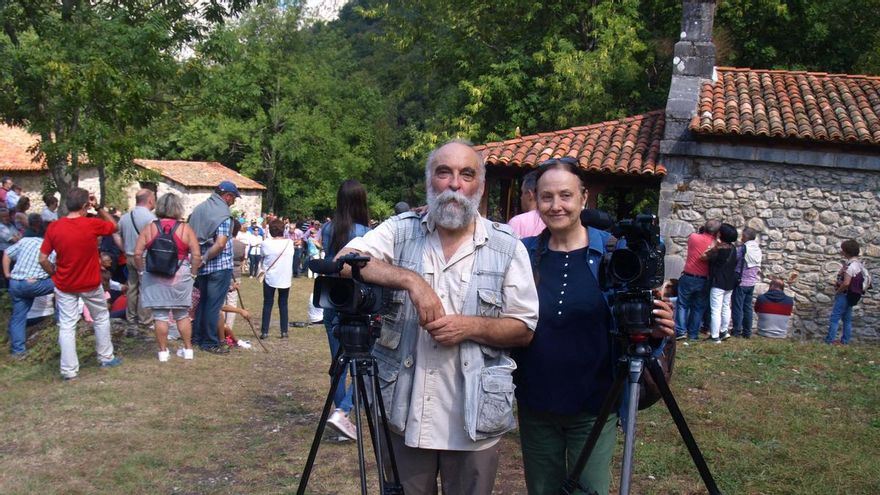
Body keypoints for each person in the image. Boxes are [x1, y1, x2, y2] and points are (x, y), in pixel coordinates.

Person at [337, 140, 539, 494]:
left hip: (473, 421)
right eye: (443, 172)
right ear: (429, 180)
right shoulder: (401, 231)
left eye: (466, 174)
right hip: (405, 415)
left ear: (480, 185)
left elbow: (524, 329)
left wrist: (468, 326)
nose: (454, 184)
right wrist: (410, 280)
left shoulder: (507, 246)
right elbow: (344, 260)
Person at [515, 158, 675, 495]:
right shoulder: (523, 254)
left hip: (595, 403)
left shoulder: (614, 252)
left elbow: (638, 323)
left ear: (584, 198)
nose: (556, 205)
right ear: (535, 200)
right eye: (546, 197)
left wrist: (657, 332)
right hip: (535, 401)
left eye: (565, 195)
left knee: (590, 490)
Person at [39, 188, 122, 380]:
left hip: (65, 283)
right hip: (90, 282)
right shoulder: (91, 224)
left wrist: (53, 272)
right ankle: (106, 357)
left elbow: (43, 258)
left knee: (67, 325)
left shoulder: (54, 227)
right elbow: (113, 226)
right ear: (86, 205)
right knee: (101, 317)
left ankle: (68, 370)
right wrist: (99, 207)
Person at [320, 179, 372, 440]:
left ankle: (341, 418)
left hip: (331, 299)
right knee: (366, 363)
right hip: (356, 301)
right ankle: (345, 410)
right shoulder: (365, 231)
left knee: (338, 364)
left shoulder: (328, 229)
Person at [134, 193, 201, 361]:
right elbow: (197, 254)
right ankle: (188, 350)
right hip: (180, 275)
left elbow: (137, 253)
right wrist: (193, 273)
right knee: (182, 314)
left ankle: (163, 352)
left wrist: (141, 272)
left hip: (155, 275)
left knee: (160, 316)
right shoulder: (185, 228)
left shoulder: (150, 227)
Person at [189, 181, 239, 353]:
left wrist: (199, 260)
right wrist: (205, 257)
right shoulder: (223, 214)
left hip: (202, 266)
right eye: (233, 199)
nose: (233, 203)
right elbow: (220, 244)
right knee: (213, 305)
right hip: (218, 265)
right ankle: (210, 342)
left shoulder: (199, 209)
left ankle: (196, 337)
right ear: (227, 196)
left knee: (202, 304)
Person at [3, 214, 54, 357]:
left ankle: (18, 352)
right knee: (63, 284)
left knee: (18, 317)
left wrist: (7, 274)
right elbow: (55, 266)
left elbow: (7, 253)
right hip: (33, 284)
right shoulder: (48, 246)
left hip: (15, 283)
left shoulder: (24, 241)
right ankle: (62, 319)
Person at [117, 189, 157, 330]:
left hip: (129, 255)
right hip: (145, 256)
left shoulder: (125, 217)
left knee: (132, 288)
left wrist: (124, 248)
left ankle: (131, 317)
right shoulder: (151, 218)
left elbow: (116, 234)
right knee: (145, 288)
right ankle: (145, 320)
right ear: (149, 200)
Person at [675, 219, 721, 341]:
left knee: (682, 304)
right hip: (703, 279)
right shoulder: (715, 243)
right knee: (698, 307)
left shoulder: (693, 237)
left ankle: (680, 331)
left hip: (688, 275)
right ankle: (693, 334)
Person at [824, 239, 868, 345]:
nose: (841, 252)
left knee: (834, 318)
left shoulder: (850, 266)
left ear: (846, 251)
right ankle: (845, 341)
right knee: (847, 319)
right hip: (852, 295)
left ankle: (829, 341)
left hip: (844, 294)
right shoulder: (859, 265)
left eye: (842, 250)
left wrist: (838, 291)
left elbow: (846, 283)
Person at [702, 223, 738, 343]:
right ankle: (724, 331)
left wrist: (713, 246)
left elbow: (704, 257)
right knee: (726, 307)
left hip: (718, 282)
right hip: (729, 282)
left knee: (715, 309)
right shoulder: (733, 249)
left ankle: (715, 336)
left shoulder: (719, 250)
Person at [259, 219, 294, 339]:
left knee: (268, 303)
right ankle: (284, 331)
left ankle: (264, 331)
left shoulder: (266, 243)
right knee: (283, 304)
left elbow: (262, 256)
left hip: (270, 277)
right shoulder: (289, 243)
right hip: (285, 277)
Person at [731, 227, 762, 338]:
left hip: (741, 281)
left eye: (743, 236)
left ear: (746, 236)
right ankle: (747, 332)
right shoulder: (757, 249)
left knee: (737, 307)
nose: (741, 238)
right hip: (751, 282)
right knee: (747, 307)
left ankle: (737, 331)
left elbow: (734, 258)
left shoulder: (744, 248)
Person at [507, 169, 546, 239]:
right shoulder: (551, 221)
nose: (521, 198)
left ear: (530, 195)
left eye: (522, 193)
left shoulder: (517, 222)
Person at [0, 207, 21, 290]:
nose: (7, 218)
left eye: (7, 216)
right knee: (7, 272)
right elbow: (13, 239)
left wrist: (17, 237)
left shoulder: (11, 225)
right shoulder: (1, 227)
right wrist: (17, 237)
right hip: (4, 253)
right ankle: (8, 290)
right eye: (4, 216)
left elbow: (20, 236)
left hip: (14, 252)